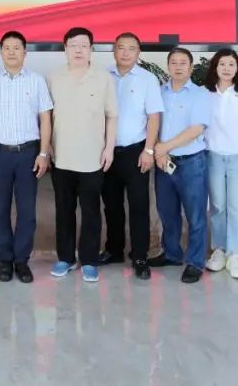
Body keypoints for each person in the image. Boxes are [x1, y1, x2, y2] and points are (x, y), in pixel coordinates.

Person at [0, 31, 53, 284]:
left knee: (26, 210)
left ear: (25, 52)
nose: (11, 52)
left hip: (28, 153)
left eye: (16, 47)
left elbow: (45, 118)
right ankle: (4, 260)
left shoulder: (37, 81)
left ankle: (21, 260)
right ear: (1, 52)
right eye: (7, 48)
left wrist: (44, 152)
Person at [47, 27, 117, 283]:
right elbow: (45, 116)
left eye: (84, 45)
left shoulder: (103, 77)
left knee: (91, 212)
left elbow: (112, 116)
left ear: (91, 49)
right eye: (73, 45)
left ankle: (89, 260)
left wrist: (109, 148)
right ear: (65, 48)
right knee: (64, 210)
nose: (78, 50)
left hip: (92, 158)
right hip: (61, 157)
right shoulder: (53, 77)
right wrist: (47, 146)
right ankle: (65, 258)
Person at [101, 32, 164, 280]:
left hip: (136, 152)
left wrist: (149, 150)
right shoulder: (102, 76)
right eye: (121, 47)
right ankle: (114, 250)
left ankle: (139, 256)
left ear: (138, 52)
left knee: (139, 206)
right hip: (107, 151)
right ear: (113, 50)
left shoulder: (148, 79)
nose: (125, 53)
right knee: (111, 205)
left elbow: (154, 116)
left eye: (131, 48)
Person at [148, 47, 211, 284]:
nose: (178, 67)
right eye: (173, 62)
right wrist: (159, 150)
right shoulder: (159, 92)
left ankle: (195, 262)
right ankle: (172, 254)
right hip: (164, 162)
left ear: (191, 67)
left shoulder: (200, 94)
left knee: (195, 215)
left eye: (183, 63)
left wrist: (164, 147)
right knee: (167, 212)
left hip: (191, 162)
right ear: (168, 66)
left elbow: (197, 129)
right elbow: (152, 122)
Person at [202, 49, 238, 280]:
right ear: (215, 67)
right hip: (212, 156)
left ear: (237, 68)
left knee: (236, 207)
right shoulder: (205, 93)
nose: (227, 68)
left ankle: (235, 254)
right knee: (217, 206)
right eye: (222, 64)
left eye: (231, 64)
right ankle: (219, 250)